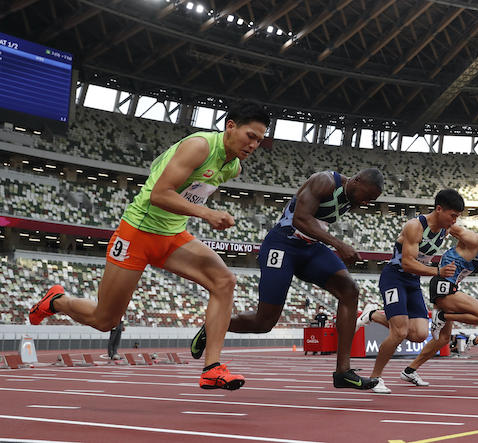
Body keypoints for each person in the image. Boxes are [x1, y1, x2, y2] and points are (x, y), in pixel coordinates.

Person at [28, 103, 271, 390]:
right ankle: (56, 301)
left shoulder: (233, 167)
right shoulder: (199, 147)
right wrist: (207, 214)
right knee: (105, 319)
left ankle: (212, 368)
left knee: (224, 280)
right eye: (250, 136)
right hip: (138, 233)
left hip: (172, 236)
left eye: (259, 140)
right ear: (230, 126)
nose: (254, 145)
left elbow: (190, 193)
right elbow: (159, 194)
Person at [190, 168, 384, 390]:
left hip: (309, 247)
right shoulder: (325, 182)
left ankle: (343, 372)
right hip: (282, 244)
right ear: (356, 181)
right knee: (264, 322)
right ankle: (213, 327)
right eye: (367, 196)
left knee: (350, 290)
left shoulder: (354, 197)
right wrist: (339, 244)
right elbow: (301, 218)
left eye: (372, 200)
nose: (367, 202)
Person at [375, 211, 478, 388]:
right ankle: (443, 316)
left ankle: (410, 371)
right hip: (442, 283)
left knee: (443, 339)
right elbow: (450, 227)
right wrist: (428, 221)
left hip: (452, 287)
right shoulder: (474, 239)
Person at [360, 189, 464, 394]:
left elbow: (472, 239)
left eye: (457, 217)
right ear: (439, 209)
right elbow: (407, 263)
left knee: (419, 334)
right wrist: (438, 272)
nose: (454, 221)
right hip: (394, 277)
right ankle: (374, 378)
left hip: (413, 281)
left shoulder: (446, 228)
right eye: (452, 215)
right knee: (399, 331)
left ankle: (372, 314)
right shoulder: (415, 227)